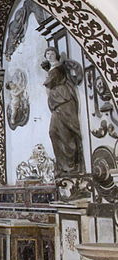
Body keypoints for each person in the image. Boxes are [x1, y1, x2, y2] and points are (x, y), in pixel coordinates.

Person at [42, 47, 85, 176]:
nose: (49, 55)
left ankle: (71, 166)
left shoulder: (59, 68)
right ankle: (62, 165)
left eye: (52, 53)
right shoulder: (51, 69)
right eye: (47, 53)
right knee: (53, 132)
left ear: (56, 55)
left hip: (64, 100)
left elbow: (49, 83)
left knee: (65, 133)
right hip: (56, 102)